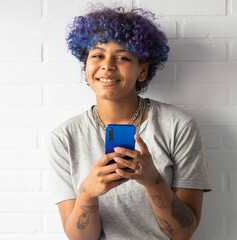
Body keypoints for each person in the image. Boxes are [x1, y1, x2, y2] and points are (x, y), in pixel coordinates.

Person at [48, 5, 210, 240]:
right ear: (86, 66)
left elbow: (183, 233)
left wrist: (153, 180)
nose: (107, 65)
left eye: (122, 57)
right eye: (97, 55)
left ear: (142, 71)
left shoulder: (179, 127)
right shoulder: (65, 137)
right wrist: (87, 193)